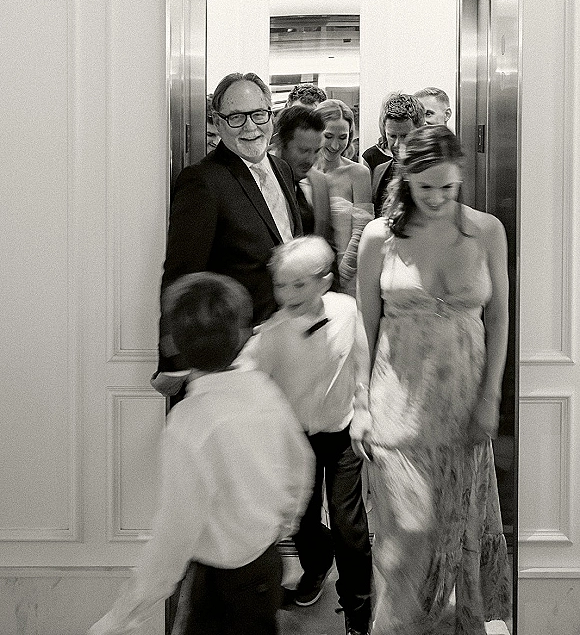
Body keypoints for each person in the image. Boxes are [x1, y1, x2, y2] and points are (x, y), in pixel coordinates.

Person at [89, 272, 314, 635]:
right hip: (264, 564)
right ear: (243, 335)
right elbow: (300, 463)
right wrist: (283, 529)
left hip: (224, 583)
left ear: (175, 344)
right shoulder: (263, 390)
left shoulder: (189, 424)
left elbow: (175, 531)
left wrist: (125, 614)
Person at [352, 125, 512, 635]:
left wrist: (492, 397)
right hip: (397, 407)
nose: (438, 198)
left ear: (460, 175)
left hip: (464, 406)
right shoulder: (381, 237)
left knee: (459, 533)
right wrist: (359, 404)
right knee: (406, 539)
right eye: (426, 189)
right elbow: (365, 323)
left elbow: (500, 317)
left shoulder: (486, 231)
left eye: (448, 186)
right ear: (406, 180)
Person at [242, 236, 372, 635]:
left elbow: (361, 354)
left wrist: (364, 405)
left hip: (343, 431)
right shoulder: (272, 334)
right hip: (298, 441)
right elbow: (245, 376)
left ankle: (358, 612)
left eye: (299, 284)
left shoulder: (347, 310)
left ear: (325, 282)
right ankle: (317, 565)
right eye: (281, 285)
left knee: (350, 526)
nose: (287, 293)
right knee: (302, 521)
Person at [153, 71, 303, 397]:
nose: (250, 127)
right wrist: (175, 360)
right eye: (235, 117)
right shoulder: (202, 181)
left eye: (258, 114)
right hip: (233, 357)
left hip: (287, 345)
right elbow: (181, 277)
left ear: (271, 117)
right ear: (218, 123)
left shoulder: (283, 169)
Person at [313, 98, 373, 296]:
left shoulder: (358, 173)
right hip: (308, 276)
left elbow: (362, 229)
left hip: (348, 274)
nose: (335, 145)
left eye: (343, 137)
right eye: (328, 136)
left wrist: (342, 274)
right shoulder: (301, 172)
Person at [274, 105, 335, 244]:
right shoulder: (261, 182)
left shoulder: (320, 182)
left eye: (316, 151)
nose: (310, 160)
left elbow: (327, 240)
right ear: (280, 143)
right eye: (303, 150)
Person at [370, 92, 425, 217]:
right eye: (392, 136)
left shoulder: (435, 171)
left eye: (405, 136)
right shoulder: (379, 172)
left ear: (421, 131)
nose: (397, 144)